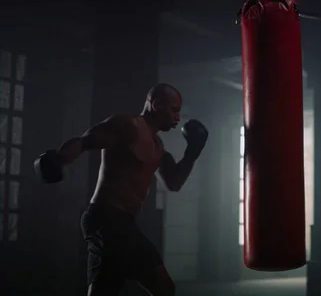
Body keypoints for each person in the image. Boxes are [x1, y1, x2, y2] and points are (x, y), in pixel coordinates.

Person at [33, 83, 208, 296]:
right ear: (157, 104)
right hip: (107, 219)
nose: (178, 118)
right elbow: (84, 142)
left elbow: (174, 183)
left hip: (121, 222)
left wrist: (192, 152)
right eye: (174, 110)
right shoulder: (128, 126)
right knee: (163, 287)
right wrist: (59, 159)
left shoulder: (159, 147)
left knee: (110, 290)